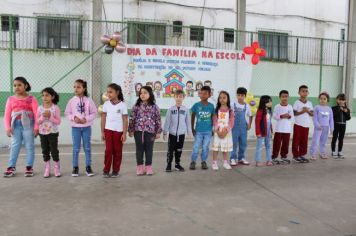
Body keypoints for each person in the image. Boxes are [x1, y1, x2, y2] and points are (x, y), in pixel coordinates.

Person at [3, 77, 39, 177]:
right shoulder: (10, 99)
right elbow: (7, 115)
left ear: (25, 86)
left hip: (29, 125)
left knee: (29, 146)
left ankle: (29, 167)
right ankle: (11, 167)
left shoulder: (31, 99)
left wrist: (36, 127)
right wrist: (7, 127)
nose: (17, 87)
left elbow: (37, 114)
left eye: (19, 85)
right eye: (15, 85)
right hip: (16, 125)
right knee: (15, 146)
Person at [65, 79, 98, 177]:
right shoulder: (71, 101)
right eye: (74, 87)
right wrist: (73, 118)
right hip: (75, 128)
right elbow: (67, 113)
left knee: (87, 148)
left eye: (78, 87)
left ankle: (88, 167)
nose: (76, 89)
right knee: (76, 148)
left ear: (84, 88)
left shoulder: (89, 101)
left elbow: (94, 113)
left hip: (86, 128)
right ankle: (75, 167)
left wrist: (86, 119)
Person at [129, 86, 162, 176]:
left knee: (149, 150)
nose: (142, 95)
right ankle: (140, 167)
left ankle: (148, 167)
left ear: (150, 94)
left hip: (150, 132)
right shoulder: (136, 106)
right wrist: (131, 130)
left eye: (145, 93)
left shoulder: (155, 107)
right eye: (141, 93)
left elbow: (158, 119)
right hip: (138, 131)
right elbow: (132, 118)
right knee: (139, 150)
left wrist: (158, 131)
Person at [101, 83, 128, 178]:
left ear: (117, 93)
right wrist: (102, 131)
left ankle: (116, 170)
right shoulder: (106, 104)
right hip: (108, 131)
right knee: (108, 151)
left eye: (111, 92)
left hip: (118, 132)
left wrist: (124, 134)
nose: (108, 94)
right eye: (107, 92)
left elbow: (125, 120)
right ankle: (106, 170)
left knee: (117, 151)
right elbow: (103, 118)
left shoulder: (123, 105)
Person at [163, 90, 192, 172]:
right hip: (172, 134)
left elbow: (188, 122)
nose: (178, 98)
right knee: (170, 151)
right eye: (177, 96)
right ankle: (169, 164)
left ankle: (177, 164)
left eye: (180, 97)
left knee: (179, 150)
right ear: (174, 97)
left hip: (181, 134)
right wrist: (165, 132)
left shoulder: (186, 110)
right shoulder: (171, 109)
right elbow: (167, 121)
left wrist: (189, 132)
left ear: (183, 97)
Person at [37, 88, 61, 178]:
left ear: (52, 96)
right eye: (43, 95)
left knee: (54, 151)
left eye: (47, 95)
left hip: (53, 132)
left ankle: (56, 168)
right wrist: (43, 117)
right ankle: (47, 168)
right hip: (42, 133)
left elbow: (58, 121)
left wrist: (50, 116)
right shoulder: (40, 108)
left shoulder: (55, 108)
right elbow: (37, 121)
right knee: (45, 151)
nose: (44, 97)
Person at [189, 86, 215, 170]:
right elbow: (192, 116)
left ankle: (204, 161)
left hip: (208, 131)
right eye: (201, 93)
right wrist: (192, 128)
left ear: (209, 95)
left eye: (205, 93)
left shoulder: (211, 106)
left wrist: (212, 129)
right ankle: (193, 161)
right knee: (196, 147)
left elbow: (212, 118)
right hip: (198, 131)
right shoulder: (196, 105)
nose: (203, 95)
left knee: (205, 147)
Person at [211, 91, 234, 170]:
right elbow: (214, 120)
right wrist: (217, 130)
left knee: (225, 148)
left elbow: (231, 122)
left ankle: (225, 162)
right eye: (220, 98)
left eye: (224, 98)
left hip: (226, 132)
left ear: (228, 99)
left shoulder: (230, 111)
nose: (222, 99)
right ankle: (214, 163)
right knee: (216, 148)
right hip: (218, 131)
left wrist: (226, 130)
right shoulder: (216, 110)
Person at [230, 87, 252, 166]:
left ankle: (241, 158)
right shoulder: (232, 104)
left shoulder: (247, 106)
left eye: (242, 95)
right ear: (236, 95)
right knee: (234, 143)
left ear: (245, 96)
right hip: (234, 128)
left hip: (243, 127)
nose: (240, 97)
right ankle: (232, 158)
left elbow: (250, 115)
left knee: (243, 143)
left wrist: (249, 124)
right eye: (238, 95)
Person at [292, 85, 313, 163]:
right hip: (298, 125)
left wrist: (307, 111)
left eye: (306, 91)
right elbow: (294, 113)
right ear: (299, 93)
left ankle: (302, 155)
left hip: (306, 125)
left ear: (308, 93)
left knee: (304, 141)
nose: (304, 93)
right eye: (303, 91)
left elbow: (312, 114)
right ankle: (295, 156)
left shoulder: (310, 103)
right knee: (296, 140)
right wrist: (302, 111)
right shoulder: (296, 102)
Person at [271, 90, 294, 165]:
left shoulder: (290, 107)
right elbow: (274, 116)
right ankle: (274, 157)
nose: (284, 98)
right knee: (276, 144)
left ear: (288, 97)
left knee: (286, 144)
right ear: (280, 97)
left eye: (286, 97)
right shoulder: (277, 106)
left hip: (287, 130)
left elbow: (292, 117)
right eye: (283, 97)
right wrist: (281, 116)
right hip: (278, 129)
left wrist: (289, 116)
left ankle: (284, 156)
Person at [310, 92, 334, 160]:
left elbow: (331, 119)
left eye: (324, 99)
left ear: (327, 100)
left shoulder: (329, 109)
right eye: (321, 98)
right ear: (319, 99)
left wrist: (332, 128)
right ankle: (312, 154)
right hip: (318, 128)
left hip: (326, 128)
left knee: (323, 141)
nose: (322, 100)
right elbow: (314, 118)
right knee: (315, 141)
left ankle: (322, 153)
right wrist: (318, 125)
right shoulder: (316, 107)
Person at [254, 95, 273, 167]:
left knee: (268, 145)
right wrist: (258, 132)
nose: (271, 103)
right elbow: (257, 122)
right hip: (262, 131)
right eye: (269, 101)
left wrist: (271, 131)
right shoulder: (260, 111)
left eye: (271, 101)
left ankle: (269, 160)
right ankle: (258, 161)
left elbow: (269, 122)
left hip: (268, 130)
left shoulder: (269, 111)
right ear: (264, 102)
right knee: (259, 146)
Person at [331, 93, 351, 158]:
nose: (341, 101)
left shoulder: (347, 109)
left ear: (345, 101)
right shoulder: (334, 108)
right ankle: (333, 151)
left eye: (343, 100)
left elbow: (348, 118)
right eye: (340, 99)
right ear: (337, 100)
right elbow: (333, 116)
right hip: (336, 124)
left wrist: (345, 112)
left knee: (341, 139)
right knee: (334, 138)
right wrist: (340, 109)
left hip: (343, 125)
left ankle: (340, 151)